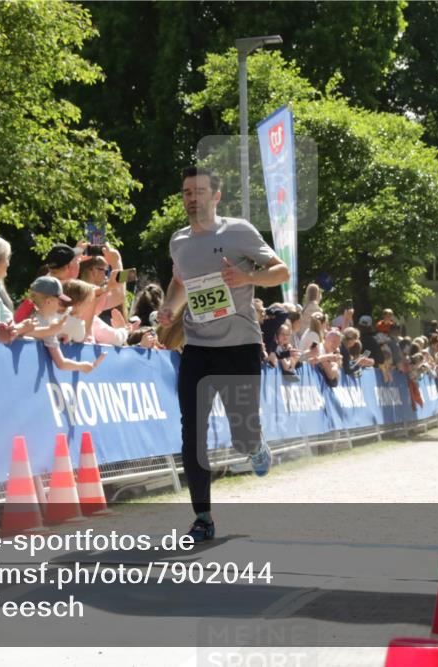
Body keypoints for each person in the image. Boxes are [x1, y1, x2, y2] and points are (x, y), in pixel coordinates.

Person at [157, 166, 289, 542]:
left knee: (242, 434)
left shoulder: (238, 232)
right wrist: (170, 308)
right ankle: (203, 517)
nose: (192, 198)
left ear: (216, 197)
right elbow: (180, 282)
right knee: (192, 433)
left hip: (240, 347)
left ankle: (254, 445)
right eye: (186, 192)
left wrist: (247, 278)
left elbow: (280, 271)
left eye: (199, 191)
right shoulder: (179, 241)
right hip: (198, 348)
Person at [25, 276, 105, 373]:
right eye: (59, 302)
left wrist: (58, 336)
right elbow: (61, 364)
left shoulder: (31, 318)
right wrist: (83, 366)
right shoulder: (48, 327)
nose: (61, 305)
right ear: (48, 302)